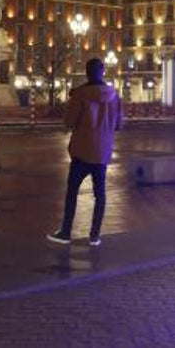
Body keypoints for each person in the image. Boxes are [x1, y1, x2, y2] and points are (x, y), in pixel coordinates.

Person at [47, 57, 124, 247]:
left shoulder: (80, 95)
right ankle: (95, 235)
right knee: (100, 194)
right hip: (102, 152)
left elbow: (69, 122)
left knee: (72, 192)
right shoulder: (114, 96)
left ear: (87, 72)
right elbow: (119, 125)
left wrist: (73, 101)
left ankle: (65, 232)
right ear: (103, 71)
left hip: (81, 151)